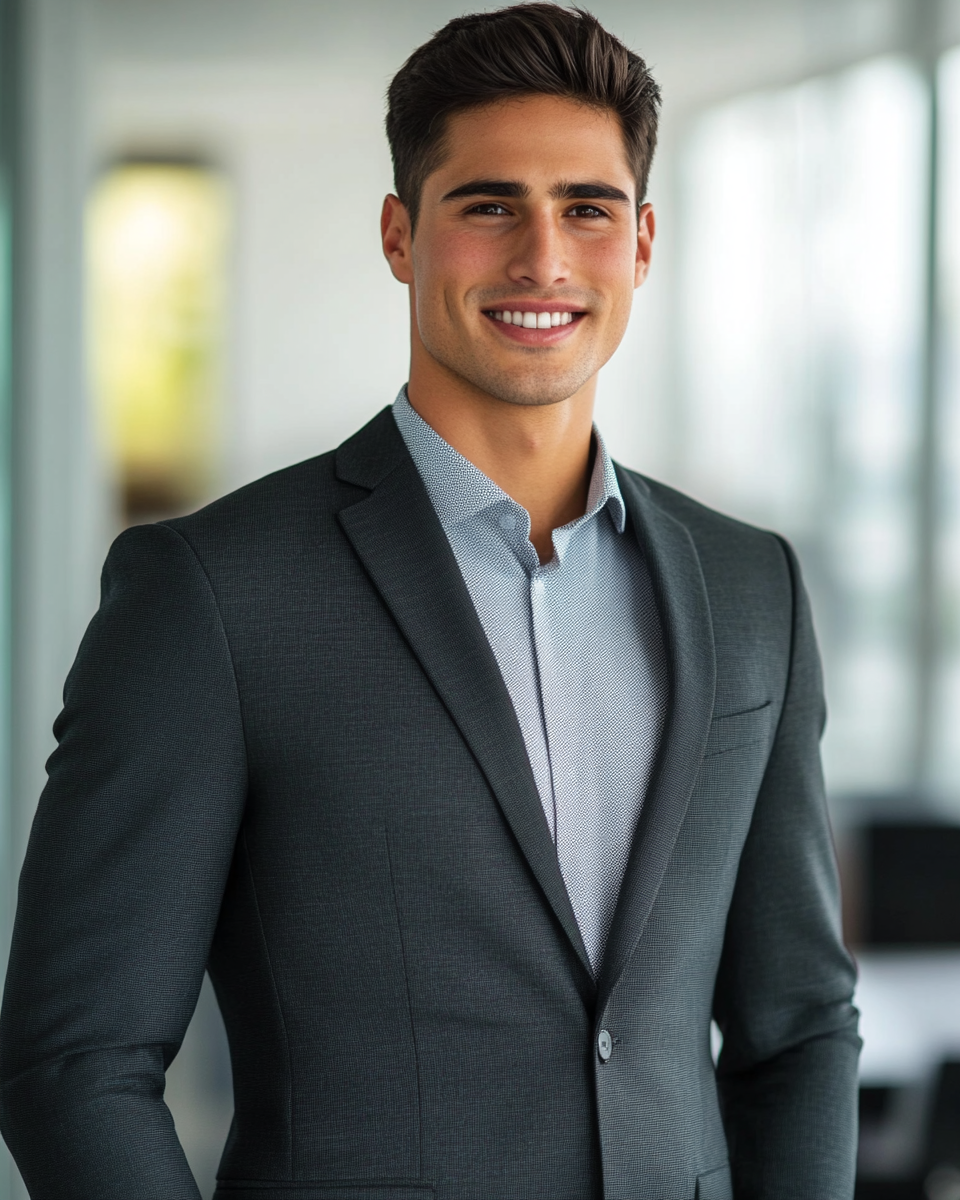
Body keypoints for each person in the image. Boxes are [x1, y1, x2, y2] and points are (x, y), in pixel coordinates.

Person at [0, 6, 860, 1199]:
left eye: (587, 208)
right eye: (489, 204)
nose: (544, 259)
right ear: (402, 235)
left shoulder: (749, 584)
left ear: (645, 242)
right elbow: (75, 1060)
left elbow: (801, 1025)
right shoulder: (212, 594)